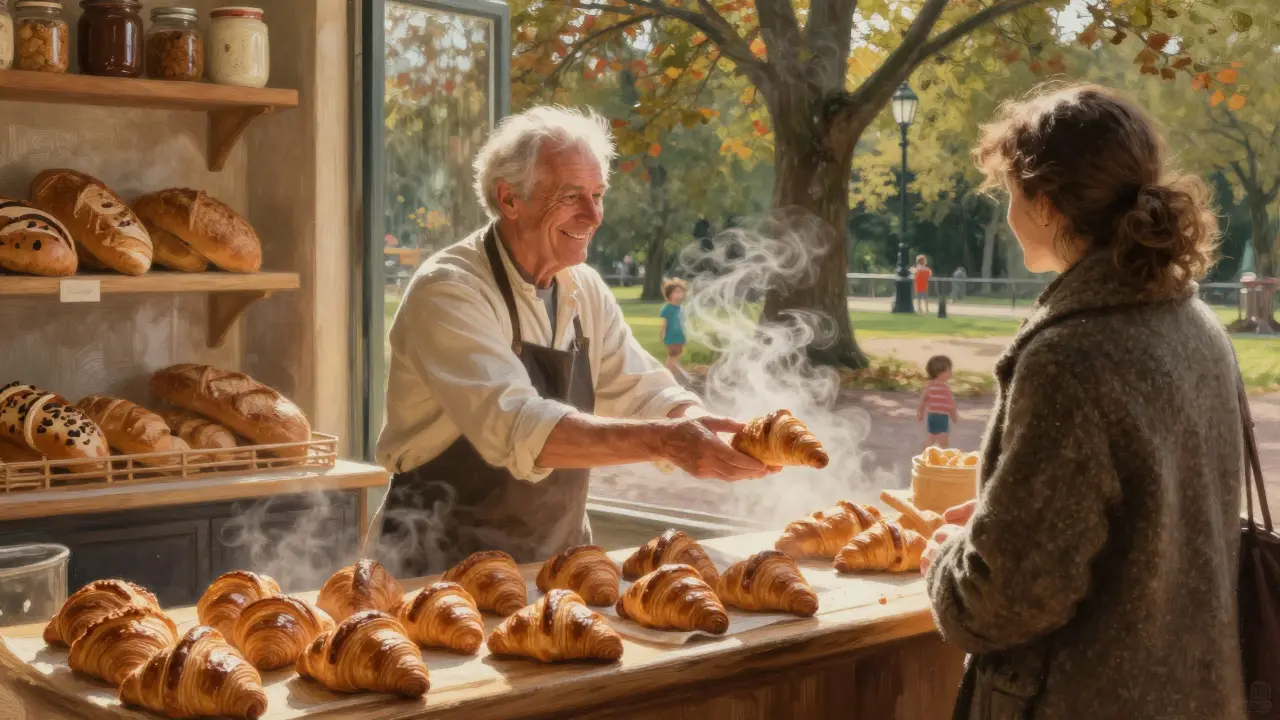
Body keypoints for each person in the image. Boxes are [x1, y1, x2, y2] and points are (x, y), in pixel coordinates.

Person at [921, 83, 1244, 719]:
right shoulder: (1194, 320)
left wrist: (946, 563)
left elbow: (1008, 599)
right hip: (1193, 691)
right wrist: (1002, 513)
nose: (1005, 212)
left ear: (1045, 205)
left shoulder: (1070, 356)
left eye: (1008, 193)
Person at [371, 106, 771, 577]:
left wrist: (696, 423)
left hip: (555, 565)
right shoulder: (449, 290)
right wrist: (667, 443)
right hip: (434, 564)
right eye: (571, 196)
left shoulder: (582, 288)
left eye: (598, 194)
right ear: (509, 198)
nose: (594, 214)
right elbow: (518, 425)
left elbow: (641, 389)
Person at [916, 355, 958, 450]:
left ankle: (926, 453)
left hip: (932, 416)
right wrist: (954, 415)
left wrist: (920, 412)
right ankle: (943, 456)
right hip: (942, 417)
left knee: (932, 437)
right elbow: (951, 404)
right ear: (940, 372)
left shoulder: (930, 386)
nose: (951, 373)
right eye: (949, 370)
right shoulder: (946, 388)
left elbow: (923, 399)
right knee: (943, 440)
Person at [658, 279, 690, 385]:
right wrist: (662, 334)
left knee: (677, 355)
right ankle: (668, 375)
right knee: (672, 355)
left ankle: (672, 374)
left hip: (679, 336)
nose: (679, 294)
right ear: (669, 294)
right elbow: (664, 323)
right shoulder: (668, 308)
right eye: (676, 292)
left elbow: (683, 323)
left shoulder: (681, 308)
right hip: (671, 336)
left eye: (680, 292)